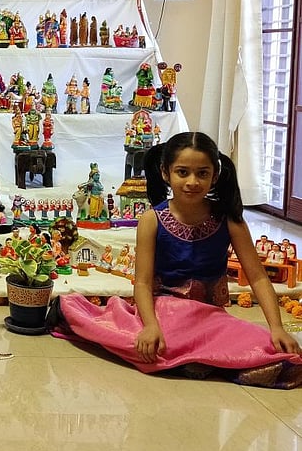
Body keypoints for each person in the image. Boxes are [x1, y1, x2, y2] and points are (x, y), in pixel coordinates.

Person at [50, 132, 302, 388]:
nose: (192, 181)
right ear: (165, 173)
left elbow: (258, 278)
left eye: (202, 173)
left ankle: (199, 359)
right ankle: (201, 360)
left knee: (270, 347)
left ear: (215, 176)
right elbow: (143, 284)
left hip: (210, 320)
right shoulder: (152, 219)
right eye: (183, 172)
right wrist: (150, 326)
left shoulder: (230, 220)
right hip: (164, 313)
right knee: (148, 342)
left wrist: (277, 328)